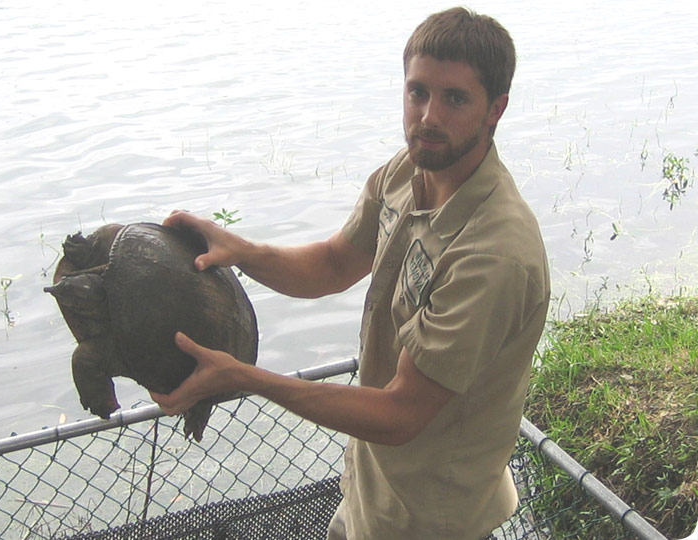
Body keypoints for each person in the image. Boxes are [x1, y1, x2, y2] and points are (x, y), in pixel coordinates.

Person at [151, 7, 550, 540]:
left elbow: (400, 414)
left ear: (495, 109)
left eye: (455, 98)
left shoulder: (494, 255)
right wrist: (240, 250)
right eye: (417, 92)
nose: (429, 116)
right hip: (368, 491)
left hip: (432, 518)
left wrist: (243, 376)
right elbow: (335, 263)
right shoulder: (409, 170)